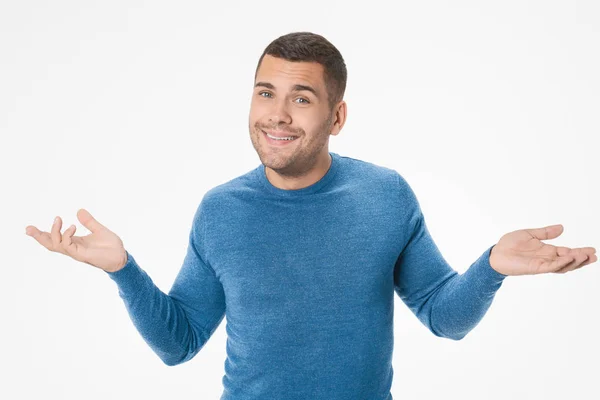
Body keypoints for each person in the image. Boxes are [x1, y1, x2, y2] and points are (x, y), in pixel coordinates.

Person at [25, 32, 597, 400]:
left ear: (337, 115)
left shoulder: (385, 195)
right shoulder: (220, 210)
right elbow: (180, 343)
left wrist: (491, 265)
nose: (277, 115)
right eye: (264, 93)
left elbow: (443, 317)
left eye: (301, 97)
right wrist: (122, 269)